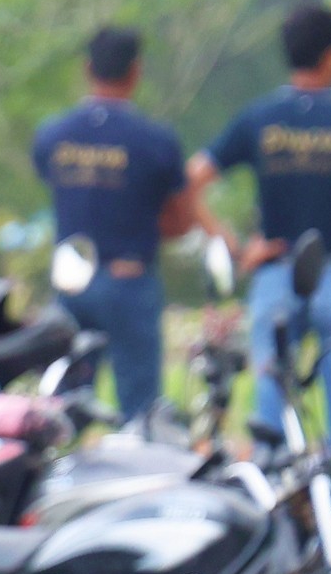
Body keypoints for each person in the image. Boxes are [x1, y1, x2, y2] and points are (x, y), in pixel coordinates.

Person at [195, 3, 331, 440]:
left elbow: (191, 182)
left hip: (275, 271)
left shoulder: (258, 119)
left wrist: (233, 243)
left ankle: (275, 467)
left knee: (272, 395)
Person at [29, 25, 204, 422]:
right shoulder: (155, 141)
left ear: (87, 68)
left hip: (71, 284)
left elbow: (54, 186)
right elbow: (181, 222)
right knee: (139, 412)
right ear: (135, 71)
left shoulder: (53, 136)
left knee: (63, 408)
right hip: (129, 280)